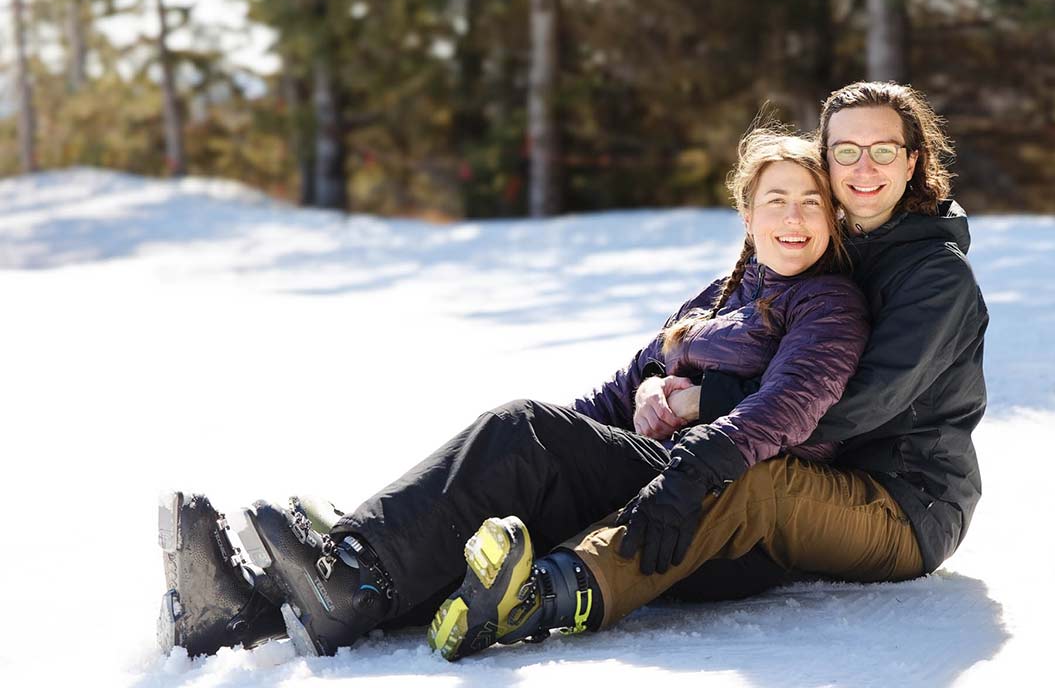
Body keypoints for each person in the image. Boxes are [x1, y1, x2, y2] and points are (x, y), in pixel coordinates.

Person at [157, 129, 870, 659]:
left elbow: (791, 409)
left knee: (522, 433)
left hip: (709, 508)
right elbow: (617, 396)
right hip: (662, 476)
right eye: (777, 200)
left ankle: (353, 574)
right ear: (748, 215)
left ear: (831, 218)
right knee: (514, 460)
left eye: (812, 202)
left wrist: (684, 415)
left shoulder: (828, 303)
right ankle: (249, 609)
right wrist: (569, 438)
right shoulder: (716, 299)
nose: (795, 218)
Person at [439, 80, 989, 655]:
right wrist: (649, 395)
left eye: (884, 149)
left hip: (903, 503)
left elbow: (851, 407)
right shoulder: (827, 246)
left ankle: (548, 592)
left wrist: (702, 406)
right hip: (812, 469)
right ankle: (422, 552)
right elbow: (733, 347)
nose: (864, 165)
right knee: (633, 458)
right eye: (845, 150)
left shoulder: (935, 277)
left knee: (740, 473)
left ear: (913, 161)